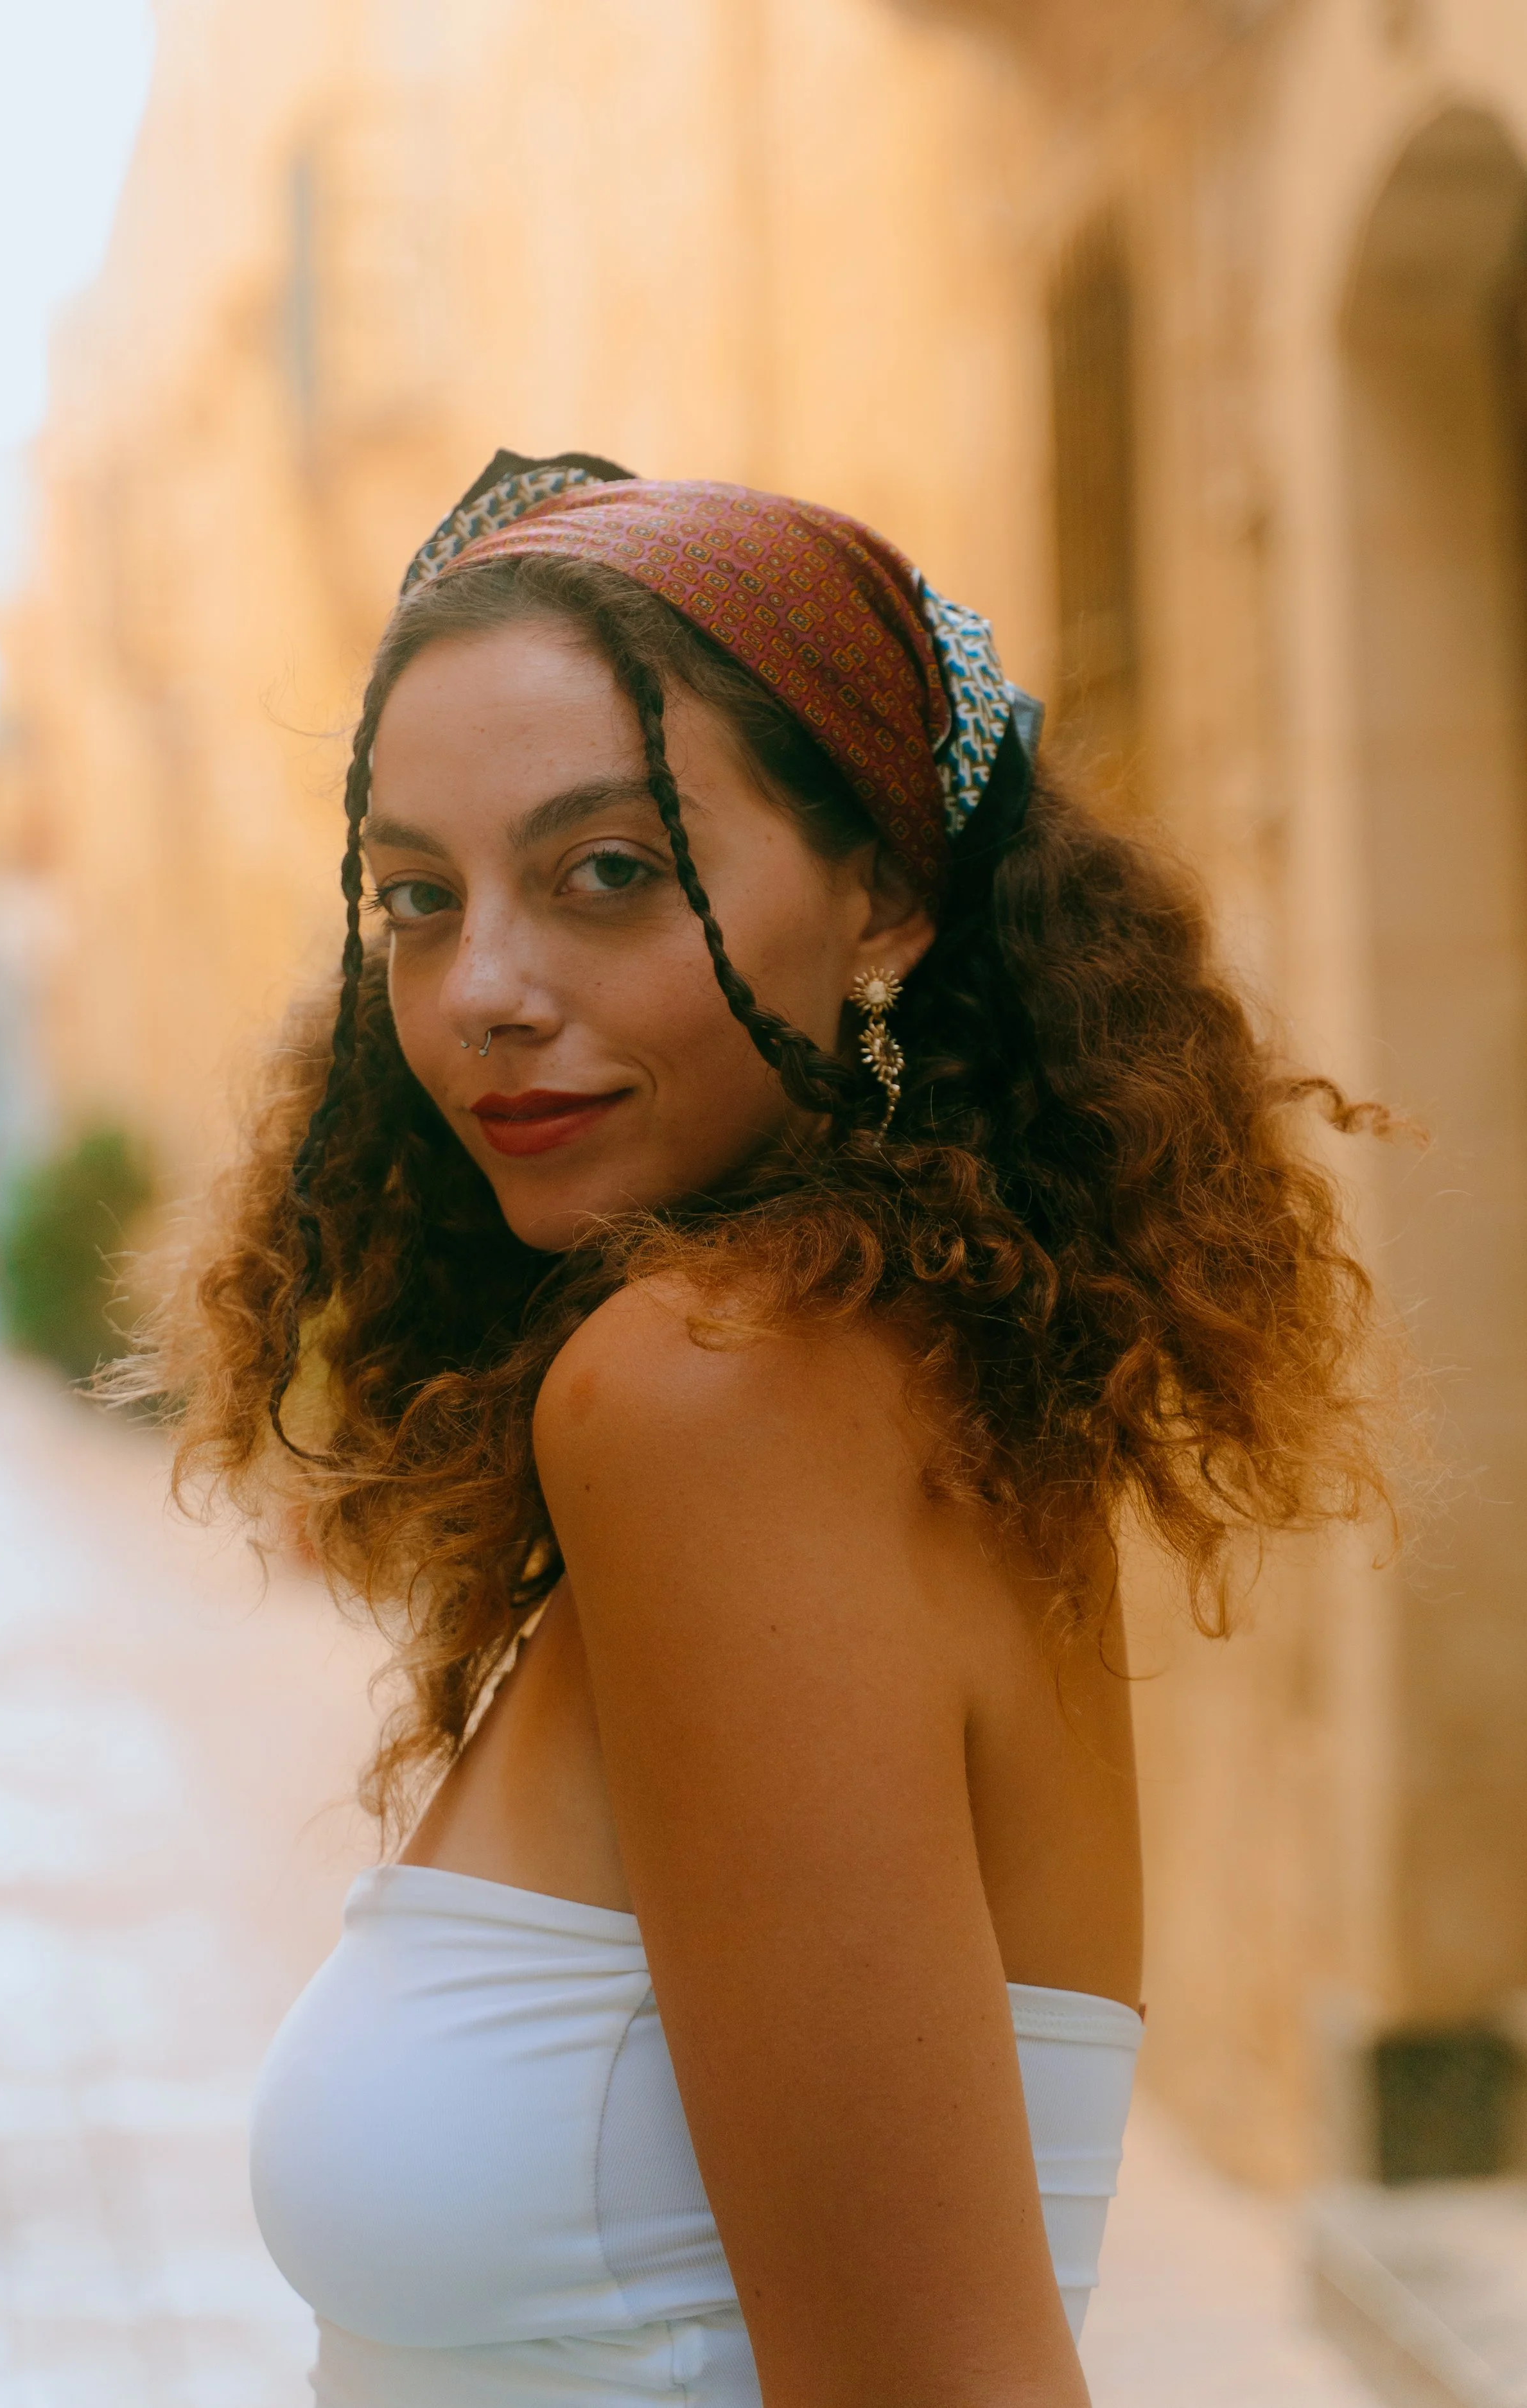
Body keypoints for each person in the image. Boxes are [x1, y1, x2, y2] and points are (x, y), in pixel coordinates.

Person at [130, 451, 1390, 2407]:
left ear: (881, 891)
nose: (481, 991)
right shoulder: (865, 1362)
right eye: (413, 897)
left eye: (606, 871)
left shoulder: (714, 1388)